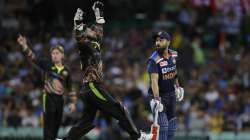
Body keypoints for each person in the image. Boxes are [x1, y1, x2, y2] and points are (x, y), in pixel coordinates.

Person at [58, 1, 152, 140]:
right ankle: (138, 136)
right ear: (86, 34)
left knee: (86, 122)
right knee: (119, 109)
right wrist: (77, 22)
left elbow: (100, 28)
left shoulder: (96, 43)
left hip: (89, 89)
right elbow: (78, 36)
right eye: (90, 29)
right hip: (92, 86)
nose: (93, 29)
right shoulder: (84, 45)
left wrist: (98, 12)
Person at [17, 35, 76, 140]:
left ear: (62, 55)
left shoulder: (66, 71)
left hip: (60, 100)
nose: (54, 55)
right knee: (48, 126)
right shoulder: (47, 65)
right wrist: (24, 45)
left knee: (56, 126)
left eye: (57, 53)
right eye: (53, 53)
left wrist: (72, 102)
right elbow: (33, 58)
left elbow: (71, 88)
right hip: (48, 98)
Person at [147, 31, 184, 140]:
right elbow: (153, 81)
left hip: (171, 95)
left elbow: (174, 70)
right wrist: (157, 98)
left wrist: (177, 86)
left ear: (168, 42)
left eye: (161, 40)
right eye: (157, 40)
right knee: (163, 127)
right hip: (159, 97)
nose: (157, 43)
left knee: (172, 127)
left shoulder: (174, 54)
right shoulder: (153, 60)